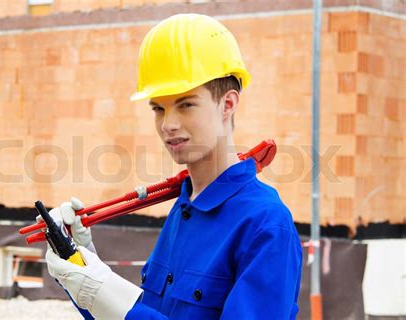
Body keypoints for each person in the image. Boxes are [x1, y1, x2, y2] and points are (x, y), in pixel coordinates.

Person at [45, 13, 302, 319]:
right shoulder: (184, 208)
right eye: (158, 108)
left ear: (228, 104)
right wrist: (83, 269)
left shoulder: (265, 224)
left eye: (186, 104)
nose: (168, 124)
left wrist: (109, 294)